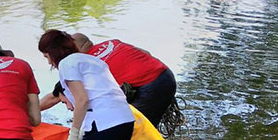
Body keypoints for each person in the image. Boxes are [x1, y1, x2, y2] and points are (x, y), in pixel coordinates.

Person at [40, 34, 176, 127]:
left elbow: (55, 96)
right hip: (165, 75)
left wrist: (27, 111)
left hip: (150, 86)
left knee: (133, 130)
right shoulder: (112, 43)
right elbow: (146, 53)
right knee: (145, 127)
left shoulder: (83, 63)